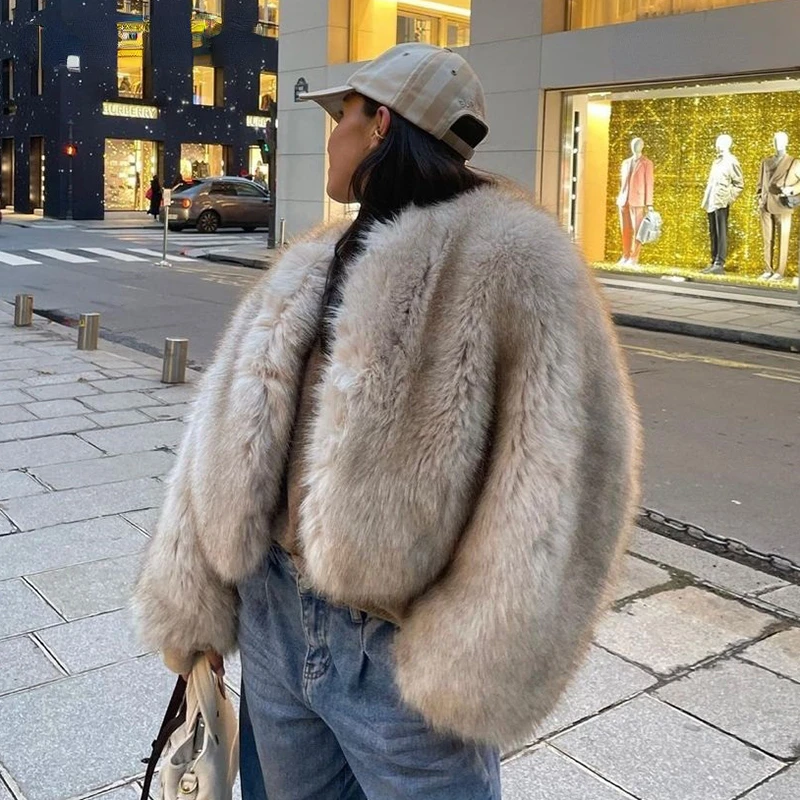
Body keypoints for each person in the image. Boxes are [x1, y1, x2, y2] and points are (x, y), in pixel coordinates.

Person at [134, 43, 640, 799]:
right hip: (272, 622)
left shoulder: (517, 261)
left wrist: (472, 658)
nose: (330, 132)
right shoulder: (314, 260)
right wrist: (194, 604)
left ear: (380, 124)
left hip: (398, 661)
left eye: (341, 114)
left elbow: (572, 473)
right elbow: (220, 431)